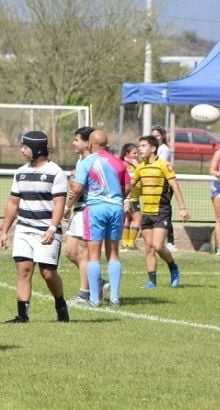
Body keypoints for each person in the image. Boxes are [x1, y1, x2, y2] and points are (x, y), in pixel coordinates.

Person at [0, 131, 69, 323]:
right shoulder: (20, 172)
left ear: (37, 150)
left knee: (48, 273)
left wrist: (53, 228)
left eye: (25, 147)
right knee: (23, 269)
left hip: (46, 230)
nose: (21, 150)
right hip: (24, 228)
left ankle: (60, 304)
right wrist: (4, 231)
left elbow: (59, 204)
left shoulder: (55, 173)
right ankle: (22, 315)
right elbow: (13, 203)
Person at [69, 130, 130, 306]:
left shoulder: (87, 162)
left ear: (90, 144)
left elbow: (78, 188)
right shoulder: (119, 163)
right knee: (114, 254)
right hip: (116, 208)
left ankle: (94, 299)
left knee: (93, 255)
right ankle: (115, 298)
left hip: (95, 209)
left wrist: (73, 180)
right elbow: (127, 187)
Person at [126, 135, 188, 288]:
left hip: (162, 210)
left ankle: (173, 267)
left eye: (143, 145)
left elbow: (175, 186)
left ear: (153, 148)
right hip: (146, 211)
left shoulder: (163, 165)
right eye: (139, 145)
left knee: (158, 245)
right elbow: (130, 185)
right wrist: (126, 198)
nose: (140, 148)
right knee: (148, 248)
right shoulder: (140, 167)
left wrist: (182, 208)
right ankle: (151, 281)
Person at [62, 126, 99, 304]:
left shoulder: (93, 161)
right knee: (70, 252)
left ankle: (84, 294)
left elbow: (77, 189)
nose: (73, 143)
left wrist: (66, 206)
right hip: (78, 209)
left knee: (83, 253)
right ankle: (98, 281)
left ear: (87, 143)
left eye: (77, 139)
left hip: (87, 209)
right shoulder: (81, 161)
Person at [151, 125, 177, 252]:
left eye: (157, 135)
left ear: (162, 136)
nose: (155, 138)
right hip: (155, 185)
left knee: (164, 212)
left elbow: (159, 165)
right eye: (153, 135)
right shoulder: (154, 150)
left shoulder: (164, 150)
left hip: (164, 185)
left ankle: (171, 241)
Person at [120, 142, 142, 251]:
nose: (136, 155)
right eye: (134, 153)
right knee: (138, 219)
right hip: (131, 198)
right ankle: (131, 243)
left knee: (128, 219)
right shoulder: (126, 165)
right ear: (127, 153)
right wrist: (138, 165)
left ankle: (124, 243)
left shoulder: (131, 164)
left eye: (137, 153)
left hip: (133, 197)